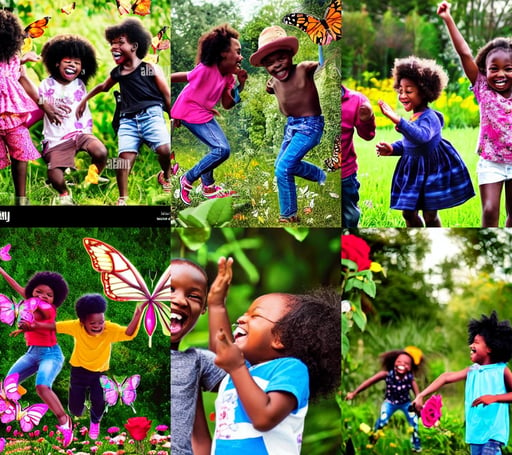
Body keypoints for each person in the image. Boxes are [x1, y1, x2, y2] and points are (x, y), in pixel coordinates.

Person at [208, 283, 341, 454]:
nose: (241, 318)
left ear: (279, 338)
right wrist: (216, 304)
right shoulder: (243, 370)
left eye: (255, 316)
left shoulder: (291, 369)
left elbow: (264, 418)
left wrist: (236, 367)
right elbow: (221, 350)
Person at [20, 294, 143, 440]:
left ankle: (95, 421)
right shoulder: (75, 327)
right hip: (79, 372)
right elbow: (54, 326)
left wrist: (137, 315)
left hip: (99, 373)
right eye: (93, 323)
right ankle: (81, 410)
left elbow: (128, 333)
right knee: (74, 409)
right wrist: (33, 326)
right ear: (82, 321)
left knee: (99, 401)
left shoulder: (109, 329)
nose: (98, 326)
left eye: (101, 322)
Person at [77, 18, 171, 206]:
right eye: (112, 44)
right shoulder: (118, 72)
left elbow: (165, 93)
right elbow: (103, 87)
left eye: (120, 42)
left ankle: (166, 176)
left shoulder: (148, 68)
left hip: (151, 115)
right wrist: (83, 100)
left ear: (135, 46)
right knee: (123, 161)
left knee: (165, 150)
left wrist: (173, 114)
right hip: (128, 121)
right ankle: (122, 200)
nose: (114, 47)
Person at [376, 56, 475, 227]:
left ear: (424, 91)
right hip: (413, 170)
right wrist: (393, 148)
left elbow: (422, 137)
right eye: (400, 90)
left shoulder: (430, 118)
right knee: (408, 212)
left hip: (431, 169)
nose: (403, 95)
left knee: (430, 214)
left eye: (409, 91)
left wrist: (398, 120)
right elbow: (410, 143)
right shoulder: (413, 117)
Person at [438, 1, 512, 227]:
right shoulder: (483, 88)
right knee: (490, 211)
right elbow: (464, 53)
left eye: (508, 68)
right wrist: (448, 18)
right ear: (484, 70)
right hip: (490, 161)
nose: (500, 74)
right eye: (494, 68)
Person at [250, 26, 327, 223]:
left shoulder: (302, 69)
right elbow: (272, 88)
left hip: (310, 126)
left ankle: (288, 215)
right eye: (269, 63)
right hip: (291, 126)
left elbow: (320, 63)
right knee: (282, 165)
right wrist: (269, 85)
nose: (276, 66)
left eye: (281, 58)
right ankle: (320, 175)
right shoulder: (274, 82)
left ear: (291, 55)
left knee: (283, 168)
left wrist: (322, 45)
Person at [412, 312, 512, 454]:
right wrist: (421, 395)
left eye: (476, 342)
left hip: (493, 434)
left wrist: (495, 398)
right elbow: (446, 377)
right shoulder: (472, 371)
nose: (471, 345)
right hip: (475, 434)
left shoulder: (501, 370)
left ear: (490, 347)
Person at [172, 24, 247, 205]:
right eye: (237, 52)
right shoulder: (206, 69)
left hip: (203, 113)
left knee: (217, 149)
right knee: (222, 149)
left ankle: (208, 187)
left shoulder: (228, 77)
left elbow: (227, 104)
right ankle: (188, 179)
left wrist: (240, 85)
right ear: (222, 53)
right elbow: (181, 77)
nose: (241, 57)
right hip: (188, 111)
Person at [0, 268, 73, 447]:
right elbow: (17, 286)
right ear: (32, 290)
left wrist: (31, 325)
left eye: (48, 294)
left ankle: (64, 421)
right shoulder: (31, 300)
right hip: (32, 353)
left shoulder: (49, 308)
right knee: (7, 385)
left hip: (51, 355)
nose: (42, 296)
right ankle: (13, 407)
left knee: (41, 386)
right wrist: (2, 271)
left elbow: (44, 321)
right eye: (38, 292)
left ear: (55, 299)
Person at [37, 34, 107, 205]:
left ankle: (92, 179)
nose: (72, 66)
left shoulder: (80, 84)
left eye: (77, 63)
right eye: (68, 61)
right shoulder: (46, 85)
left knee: (101, 152)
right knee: (55, 173)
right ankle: (63, 194)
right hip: (57, 139)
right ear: (56, 63)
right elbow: (37, 99)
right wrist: (45, 104)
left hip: (80, 133)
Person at [170, 257, 229, 455]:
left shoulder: (195, 361)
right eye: (169, 290)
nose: (179, 300)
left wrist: (217, 305)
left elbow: (231, 367)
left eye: (194, 296)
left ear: (203, 308)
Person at [0, 10, 42, 206]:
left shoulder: (14, 56)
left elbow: (22, 77)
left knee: (21, 151)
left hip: (12, 114)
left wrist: (43, 104)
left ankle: (21, 199)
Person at [346, 348, 424, 452]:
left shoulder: (410, 379)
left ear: (410, 367)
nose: (402, 364)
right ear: (394, 363)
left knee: (414, 423)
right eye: (399, 362)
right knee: (382, 421)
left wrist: (419, 407)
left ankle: (417, 447)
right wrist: (354, 393)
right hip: (389, 403)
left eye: (406, 363)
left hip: (405, 403)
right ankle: (372, 442)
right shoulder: (386, 375)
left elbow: (418, 395)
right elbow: (369, 382)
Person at [340, 84, 376, 227]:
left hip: (345, 174)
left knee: (349, 217)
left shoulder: (357, 100)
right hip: (314, 172)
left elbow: (368, 135)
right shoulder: (309, 96)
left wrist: (368, 119)